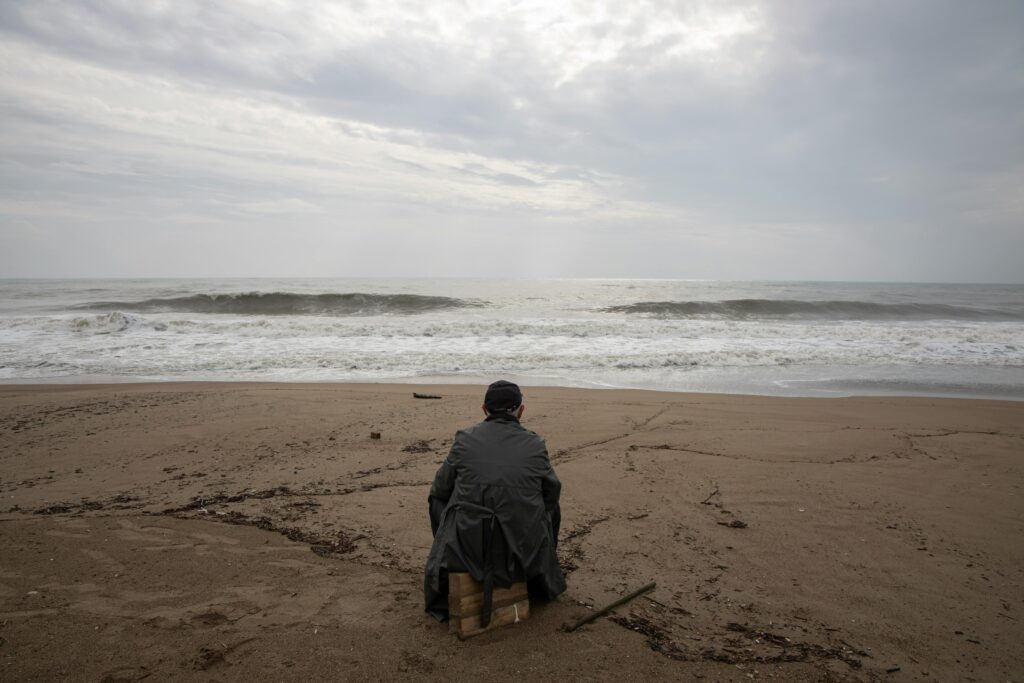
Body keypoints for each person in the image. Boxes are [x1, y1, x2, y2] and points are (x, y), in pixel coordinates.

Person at [423, 380, 565, 622]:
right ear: (521, 410)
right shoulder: (535, 444)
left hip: (468, 549)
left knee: (437, 500)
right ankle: (539, 568)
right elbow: (551, 495)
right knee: (551, 507)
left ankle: (451, 557)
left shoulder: (465, 439)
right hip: (522, 551)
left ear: (484, 409)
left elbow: (440, 489)